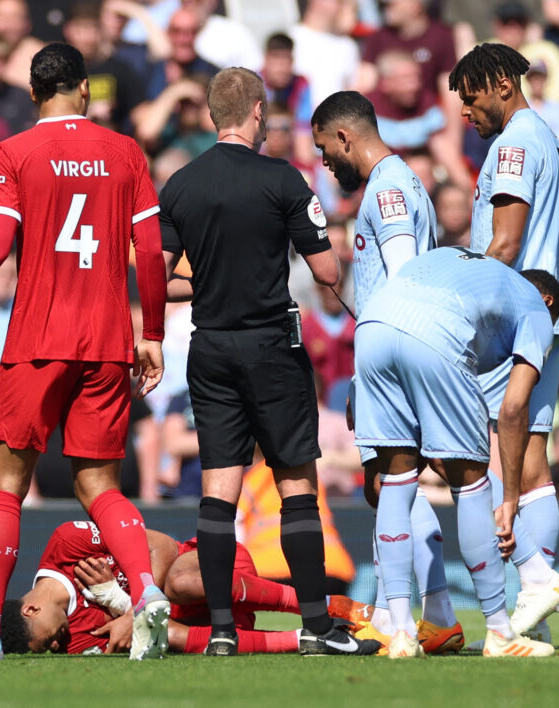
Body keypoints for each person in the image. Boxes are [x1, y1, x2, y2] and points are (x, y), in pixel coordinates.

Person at [0, 43, 170, 662]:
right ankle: (144, 591)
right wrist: (153, 333)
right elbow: (152, 251)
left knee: (7, 485)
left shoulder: (12, 153)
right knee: (101, 487)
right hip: (108, 341)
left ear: (33, 93)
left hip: (37, 340)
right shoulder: (125, 152)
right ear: (84, 89)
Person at [158, 67, 376, 657]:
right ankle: (316, 626)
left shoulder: (179, 184)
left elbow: (154, 278)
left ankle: (223, 630)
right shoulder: (284, 179)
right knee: (295, 480)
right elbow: (326, 272)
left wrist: (207, 284)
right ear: (257, 111)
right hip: (270, 345)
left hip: (210, 348)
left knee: (218, 490)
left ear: (211, 115)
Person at [310, 90, 463, 656]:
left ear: (346, 137)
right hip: (396, 352)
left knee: (395, 482)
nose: (326, 161)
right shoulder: (390, 183)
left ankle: (401, 621)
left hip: (394, 353)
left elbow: (400, 275)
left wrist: (373, 371)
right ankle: (440, 614)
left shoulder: (391, 188)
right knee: (392, 485)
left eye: (327, 149)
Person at [353, 246, 559, 659]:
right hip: (433, 332)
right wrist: (510, 499)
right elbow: (514, 407)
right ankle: (501, 632)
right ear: (549, 302)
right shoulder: (537, 311)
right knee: (471, 481)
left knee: (396, 480)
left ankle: (399, 633)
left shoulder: (473, 272)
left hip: (371, 327)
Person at [448, 43, 559, 644]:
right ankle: (536, 616)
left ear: (500, 83)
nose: (466, 113)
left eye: (470, 99)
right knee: (532, 458)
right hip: (542, 310)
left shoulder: (515, 143)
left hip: (508, 314)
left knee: (487, 458)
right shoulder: (540, 134)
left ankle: (534, 580)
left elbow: (505, 241)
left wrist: (458, 305)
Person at [0, 522, 368, 655]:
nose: (58, 646)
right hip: (217, 629)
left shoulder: (68, 544)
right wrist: (140, 621)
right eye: (50, 650)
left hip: (217, 572)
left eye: (46, 642)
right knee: (164, 634)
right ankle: (304, 639)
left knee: (180, 582)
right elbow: (157, 638)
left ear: (30, 610)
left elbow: (161, 545)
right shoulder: (75, 641)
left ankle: (325, 607)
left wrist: (132, 611)